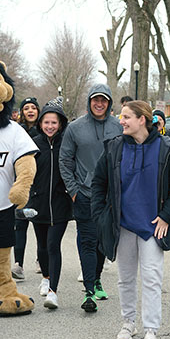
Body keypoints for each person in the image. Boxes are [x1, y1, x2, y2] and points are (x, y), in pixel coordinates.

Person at [92, 101, 170, 339]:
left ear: (142, 119)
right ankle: (128, 322)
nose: (121, 121)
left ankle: (151, 332)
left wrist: (167, 216)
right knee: (125, 278)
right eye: (121, 117)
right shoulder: (114, 147)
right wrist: (101, 215)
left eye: (126, 117)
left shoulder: (167, 148)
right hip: (122, 225)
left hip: (153, 226)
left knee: (152, 279)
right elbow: (98, 183)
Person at [60, 84, 122, 312]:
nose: (99, 104)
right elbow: (65, 161)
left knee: (102, 241)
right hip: (84, 194)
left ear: (109, 103)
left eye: (104, 100)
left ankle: (96, 280)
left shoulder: (118, 126)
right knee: (87, 241)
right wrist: (74, 191)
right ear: (89, 101)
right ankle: (88, 292)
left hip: (110, 196)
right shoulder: (75, 128)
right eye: (96, 100)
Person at [28, 99, 73, 309]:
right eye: (46, 122)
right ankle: (45, 277)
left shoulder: (67, 143)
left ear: (61, 124)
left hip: (61, 203)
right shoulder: (34, 144)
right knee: (42, 245)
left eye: (54, 122)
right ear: (41, 123)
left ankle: (53, 292)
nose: (50, 126)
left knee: (54, 245)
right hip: (38, 201)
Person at [11, 97, 42, 279]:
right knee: (20, 224)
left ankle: (40, 259)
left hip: (40, 184)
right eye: (26, 108)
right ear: (22, 112)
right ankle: (18, 264)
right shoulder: (16, 131)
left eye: (33, 108)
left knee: (39, 225)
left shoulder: (44, 129)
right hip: (21, 183)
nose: (30, 111)